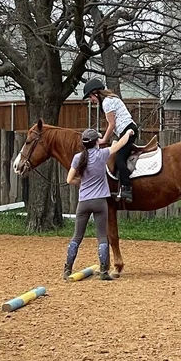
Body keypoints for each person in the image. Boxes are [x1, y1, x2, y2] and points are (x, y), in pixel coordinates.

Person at [64, 126, 135, 281]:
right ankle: (103, 271)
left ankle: (67, 269)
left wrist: (81, 183)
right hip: (100, 202)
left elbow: (69, 180)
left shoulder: (78, 158)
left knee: (77, 236)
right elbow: (118, 145)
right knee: (102, 237)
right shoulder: (102, 154)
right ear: (97, 142)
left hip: (83, 202)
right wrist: (128, 134)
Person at [82, 78, 138, 203]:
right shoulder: (111, 99)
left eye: (91, 97)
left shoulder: (107, 102)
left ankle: (127, 189)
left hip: (128, 130)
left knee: (119, 158)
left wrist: (103, 140)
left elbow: (111, 125)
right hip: (125, 130)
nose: (92, 100)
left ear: (96, 93)